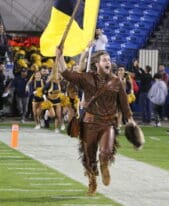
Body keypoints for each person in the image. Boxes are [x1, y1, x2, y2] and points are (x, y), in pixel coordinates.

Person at [57, 47, 136, 196]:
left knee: (105, 151)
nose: (108, 62)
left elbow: (124, 105)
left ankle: (104, 165)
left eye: (109, 60)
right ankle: (92, 179)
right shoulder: (87, 78)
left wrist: (131, 121)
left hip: (108, 124)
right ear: (96, 64)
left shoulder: (117, 82)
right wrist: (60, 57)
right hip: (89, 123)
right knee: (89, 158)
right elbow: (66, 74)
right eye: (104, 60)